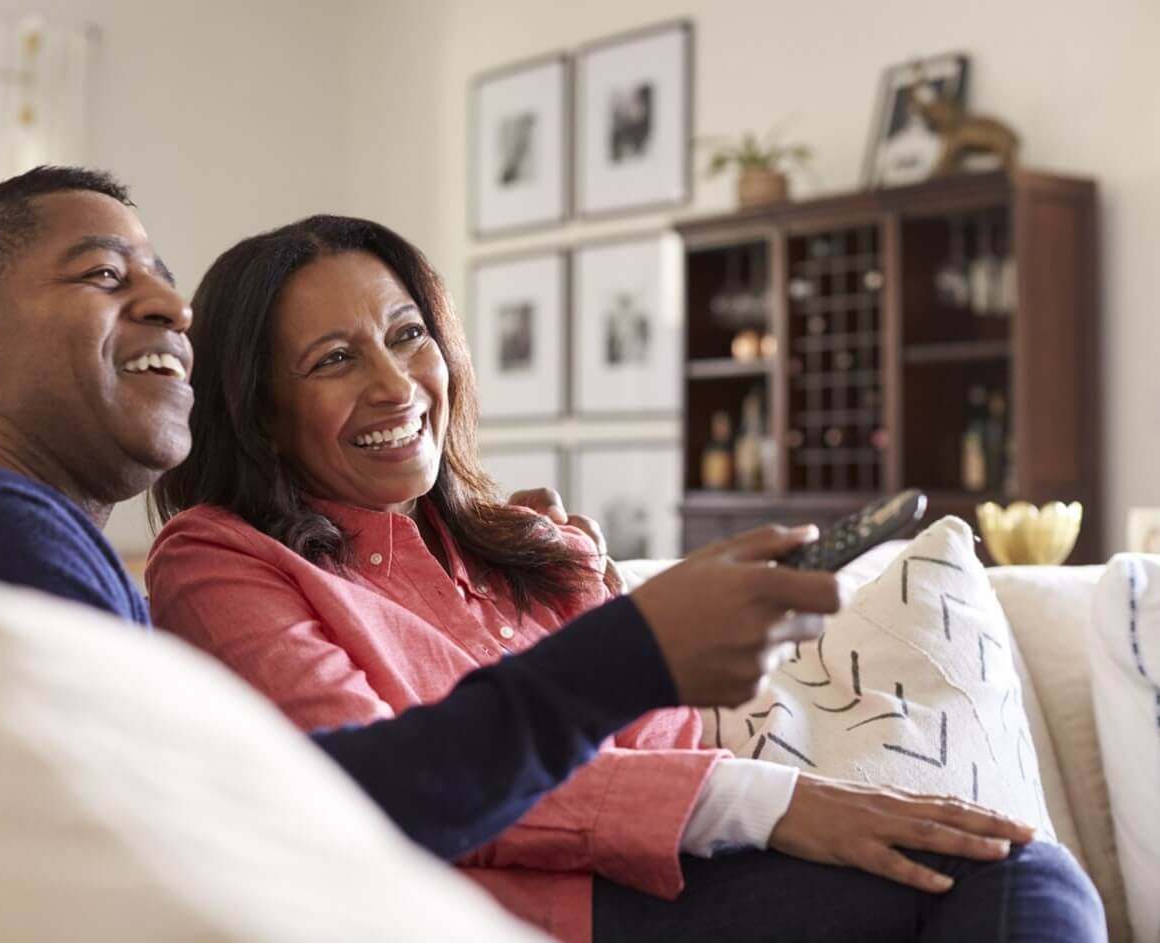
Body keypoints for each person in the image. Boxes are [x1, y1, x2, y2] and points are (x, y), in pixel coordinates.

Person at [0, 165, 841, 864]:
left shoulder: (27, 541)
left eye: (164, 279)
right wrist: (632, 650)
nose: (171, 308)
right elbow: (302, 822)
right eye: (106, 276)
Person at [145, 214, 1104, 943]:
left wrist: (596, 598)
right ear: (261, 413)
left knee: (1026, 870)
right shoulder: (219, 559)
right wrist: (769, 800)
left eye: (407, 335)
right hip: (520, 913)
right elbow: (380, 787)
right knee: (1005, 882)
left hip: (670, 878)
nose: (397, 385)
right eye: (335, 360)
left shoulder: (526, 545)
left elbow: (660, 742)